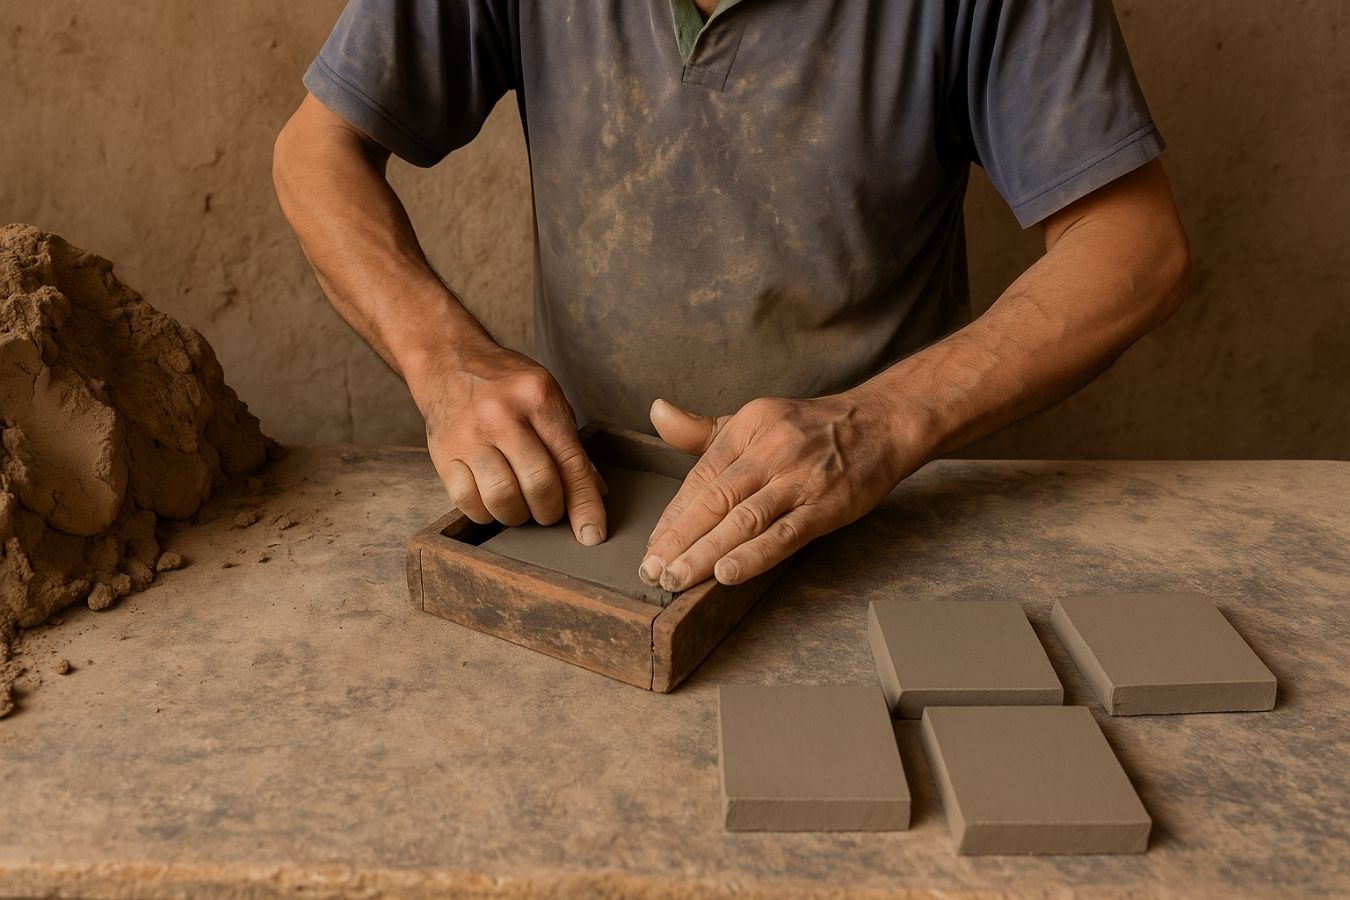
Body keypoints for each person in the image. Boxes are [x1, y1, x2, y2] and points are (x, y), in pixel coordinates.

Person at [274, 0, 1189, 595]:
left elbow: (1133, 247)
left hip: (892, 514)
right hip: (599, 512)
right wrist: (447, 361)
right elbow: (316, 155)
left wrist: (876, 425)